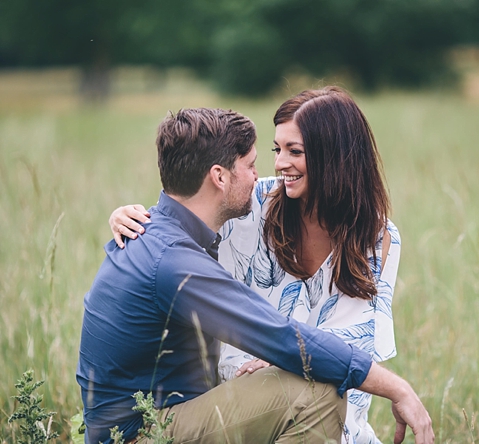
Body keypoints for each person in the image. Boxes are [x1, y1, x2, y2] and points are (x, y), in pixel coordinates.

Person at [83, 107, 434, 444]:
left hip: (168, 416)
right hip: (141, 434)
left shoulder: (165, 234)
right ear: (219, 177)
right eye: (252, 165)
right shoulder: (174, 260)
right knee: (314, 393)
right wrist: (397, 388)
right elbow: (282, 338)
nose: (262, 175)